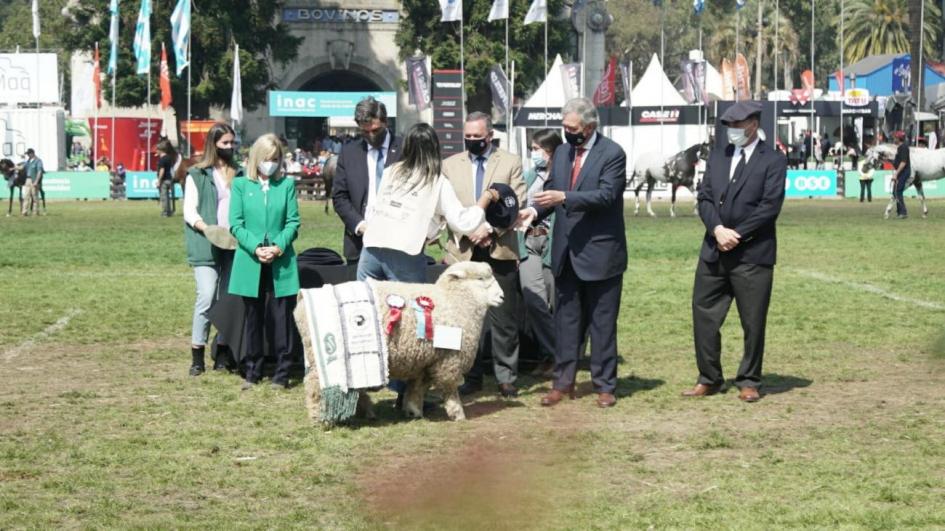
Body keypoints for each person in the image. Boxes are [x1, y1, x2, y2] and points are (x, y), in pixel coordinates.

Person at [517, 97, 628, 408]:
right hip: (566, 253)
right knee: (566, 323)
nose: (566, 133)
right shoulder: (564, 152)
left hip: (601, 253)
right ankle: (562, 383)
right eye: (564, 127)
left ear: (589, 127)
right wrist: (533, 213)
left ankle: (604, 385)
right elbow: (549, 190)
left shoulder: (612, 154)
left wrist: (564, 197)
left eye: (572, 128)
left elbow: (606, 195)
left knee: (602, 323)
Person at [683, 101, 786, 403]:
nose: (731, 132)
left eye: (736, 126)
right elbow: (704, 198)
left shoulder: (773, 160)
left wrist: (737, 235)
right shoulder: (718, 156)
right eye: (727, 126)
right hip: (714, 251)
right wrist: (717, 230)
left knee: (753, 321)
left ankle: (749, 379)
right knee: (704, 316)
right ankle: (709, 377)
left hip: (753, 255)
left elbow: (769, 207)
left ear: (752, 124)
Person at [442, 112, 526, 399]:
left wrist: (488, 229)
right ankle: (469, 374)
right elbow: (445, 206)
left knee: (503, 317)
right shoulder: (450, 165)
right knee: (463, 318)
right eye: (468, 136)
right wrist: (465, 231)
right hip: (462, 252)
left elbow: (518, 202)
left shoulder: (511, 162)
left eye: (478, 137)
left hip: (499, 249)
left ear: (490, 136)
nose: (472, 141)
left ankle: (506, 377)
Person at [359, 122, 493, 283]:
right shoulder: (437, 181)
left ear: (407, 146)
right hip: (405, 251)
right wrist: (485, 199)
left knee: (367, 304)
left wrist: (429, 230)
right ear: (435, 147)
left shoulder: (390, 171)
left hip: (371, 248)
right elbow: (461, 221)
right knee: (409, 305)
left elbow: (379, 208)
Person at [228, 133, 301, 390]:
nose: (270, 163)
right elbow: (235, 224)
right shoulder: (240, 185)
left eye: (275, 159)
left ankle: (282, 372)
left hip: (280, 262)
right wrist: (257, 248)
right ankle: (253, 370)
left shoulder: (287, 186)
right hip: (251, 260)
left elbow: (293, 222)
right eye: (266, 159)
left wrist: (278, 247)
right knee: (253, 317)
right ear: (256, 159)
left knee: (281, 317)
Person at [183, 123, 241, 376]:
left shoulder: (239, 173)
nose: (229, 147)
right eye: (225, 143)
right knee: (207, 296)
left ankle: (223, 352)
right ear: (213, 144)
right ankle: (197, 356)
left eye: (232, 143)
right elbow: (189, 211)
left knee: (228, 299)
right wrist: (207, 229)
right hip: (206, 243)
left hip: (234, 244)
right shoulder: (197, 174)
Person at [331, 97, 404, 262]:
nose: (371, 136)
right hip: (359, 243)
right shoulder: (349, 153)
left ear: (386, 122)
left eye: (376, 130)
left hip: (399, 243)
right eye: (365, 131)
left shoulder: (405, 149)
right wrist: (359, 225)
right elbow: (340, 196)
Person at [519, 128, 562, 376]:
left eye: (538, 149)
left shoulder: (563, 175)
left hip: (553, 243)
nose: (534, 154)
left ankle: (551, 357)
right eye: (532, 149)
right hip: (528, 242)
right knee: (533, 298)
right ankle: (557, 353)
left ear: (551, 151)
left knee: (556, 302)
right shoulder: (528, 176)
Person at [156, 140, 180, 217]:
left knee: (164, 197)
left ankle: (166, 212)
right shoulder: (169, 158)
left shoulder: (162, 159)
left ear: (160, 150)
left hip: (164, 180)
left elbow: (162, 170)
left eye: (157, 150)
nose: (156, 151)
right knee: (168, 197)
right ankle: (169, 211)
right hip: (170, 179)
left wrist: (159, 180)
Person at [891, 130, 910, 219]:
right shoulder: (900, 147)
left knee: (898, 191)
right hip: (901, 172)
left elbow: (903, 162)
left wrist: (896, 174)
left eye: (895, 137)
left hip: (904, 172)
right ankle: (899, 211)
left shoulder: (903, 147)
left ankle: (903, 212)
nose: (894, 139)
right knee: (895, 191)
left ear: (899, 138)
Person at [22, 148, 44, 216]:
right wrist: (14, 167)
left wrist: (36, 181)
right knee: (26, 196)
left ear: (32, 153)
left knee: (35, 197)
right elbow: (22, 167)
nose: (28, 155)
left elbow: (39, 171)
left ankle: (35, 212)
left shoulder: (38, 161)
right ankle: (24, 212)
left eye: (28, 154)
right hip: (27, 180)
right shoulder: (28, 161)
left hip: (34, 180)